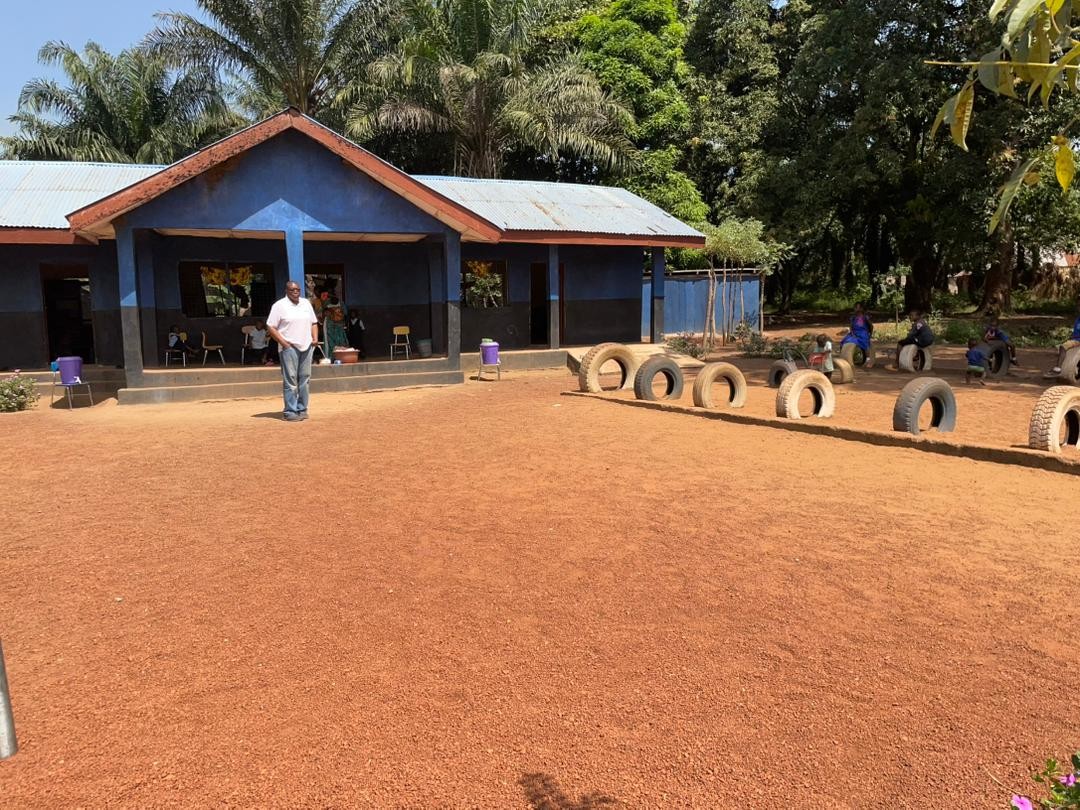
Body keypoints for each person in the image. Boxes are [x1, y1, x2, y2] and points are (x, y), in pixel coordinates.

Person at [265, 281, 318, 421]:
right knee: (291, 380)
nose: (295, 292)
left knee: (305, 379)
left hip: (306, 346)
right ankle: (290, 411)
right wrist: (284, 343)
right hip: (289, 347)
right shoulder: (279, 306)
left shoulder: (306, 303)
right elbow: (270, 326)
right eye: (292, 290)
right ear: (286, 291)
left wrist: (315, 338)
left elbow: (313, 322)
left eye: (298, 290)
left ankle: (302, 409)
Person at [1049, 300, 1080, 375]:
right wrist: (1071, 337)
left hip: (1078, 340)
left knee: (1063, 347)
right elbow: (1075, 331)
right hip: (1075, 339)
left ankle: (1058, 368)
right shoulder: (1078, 319)